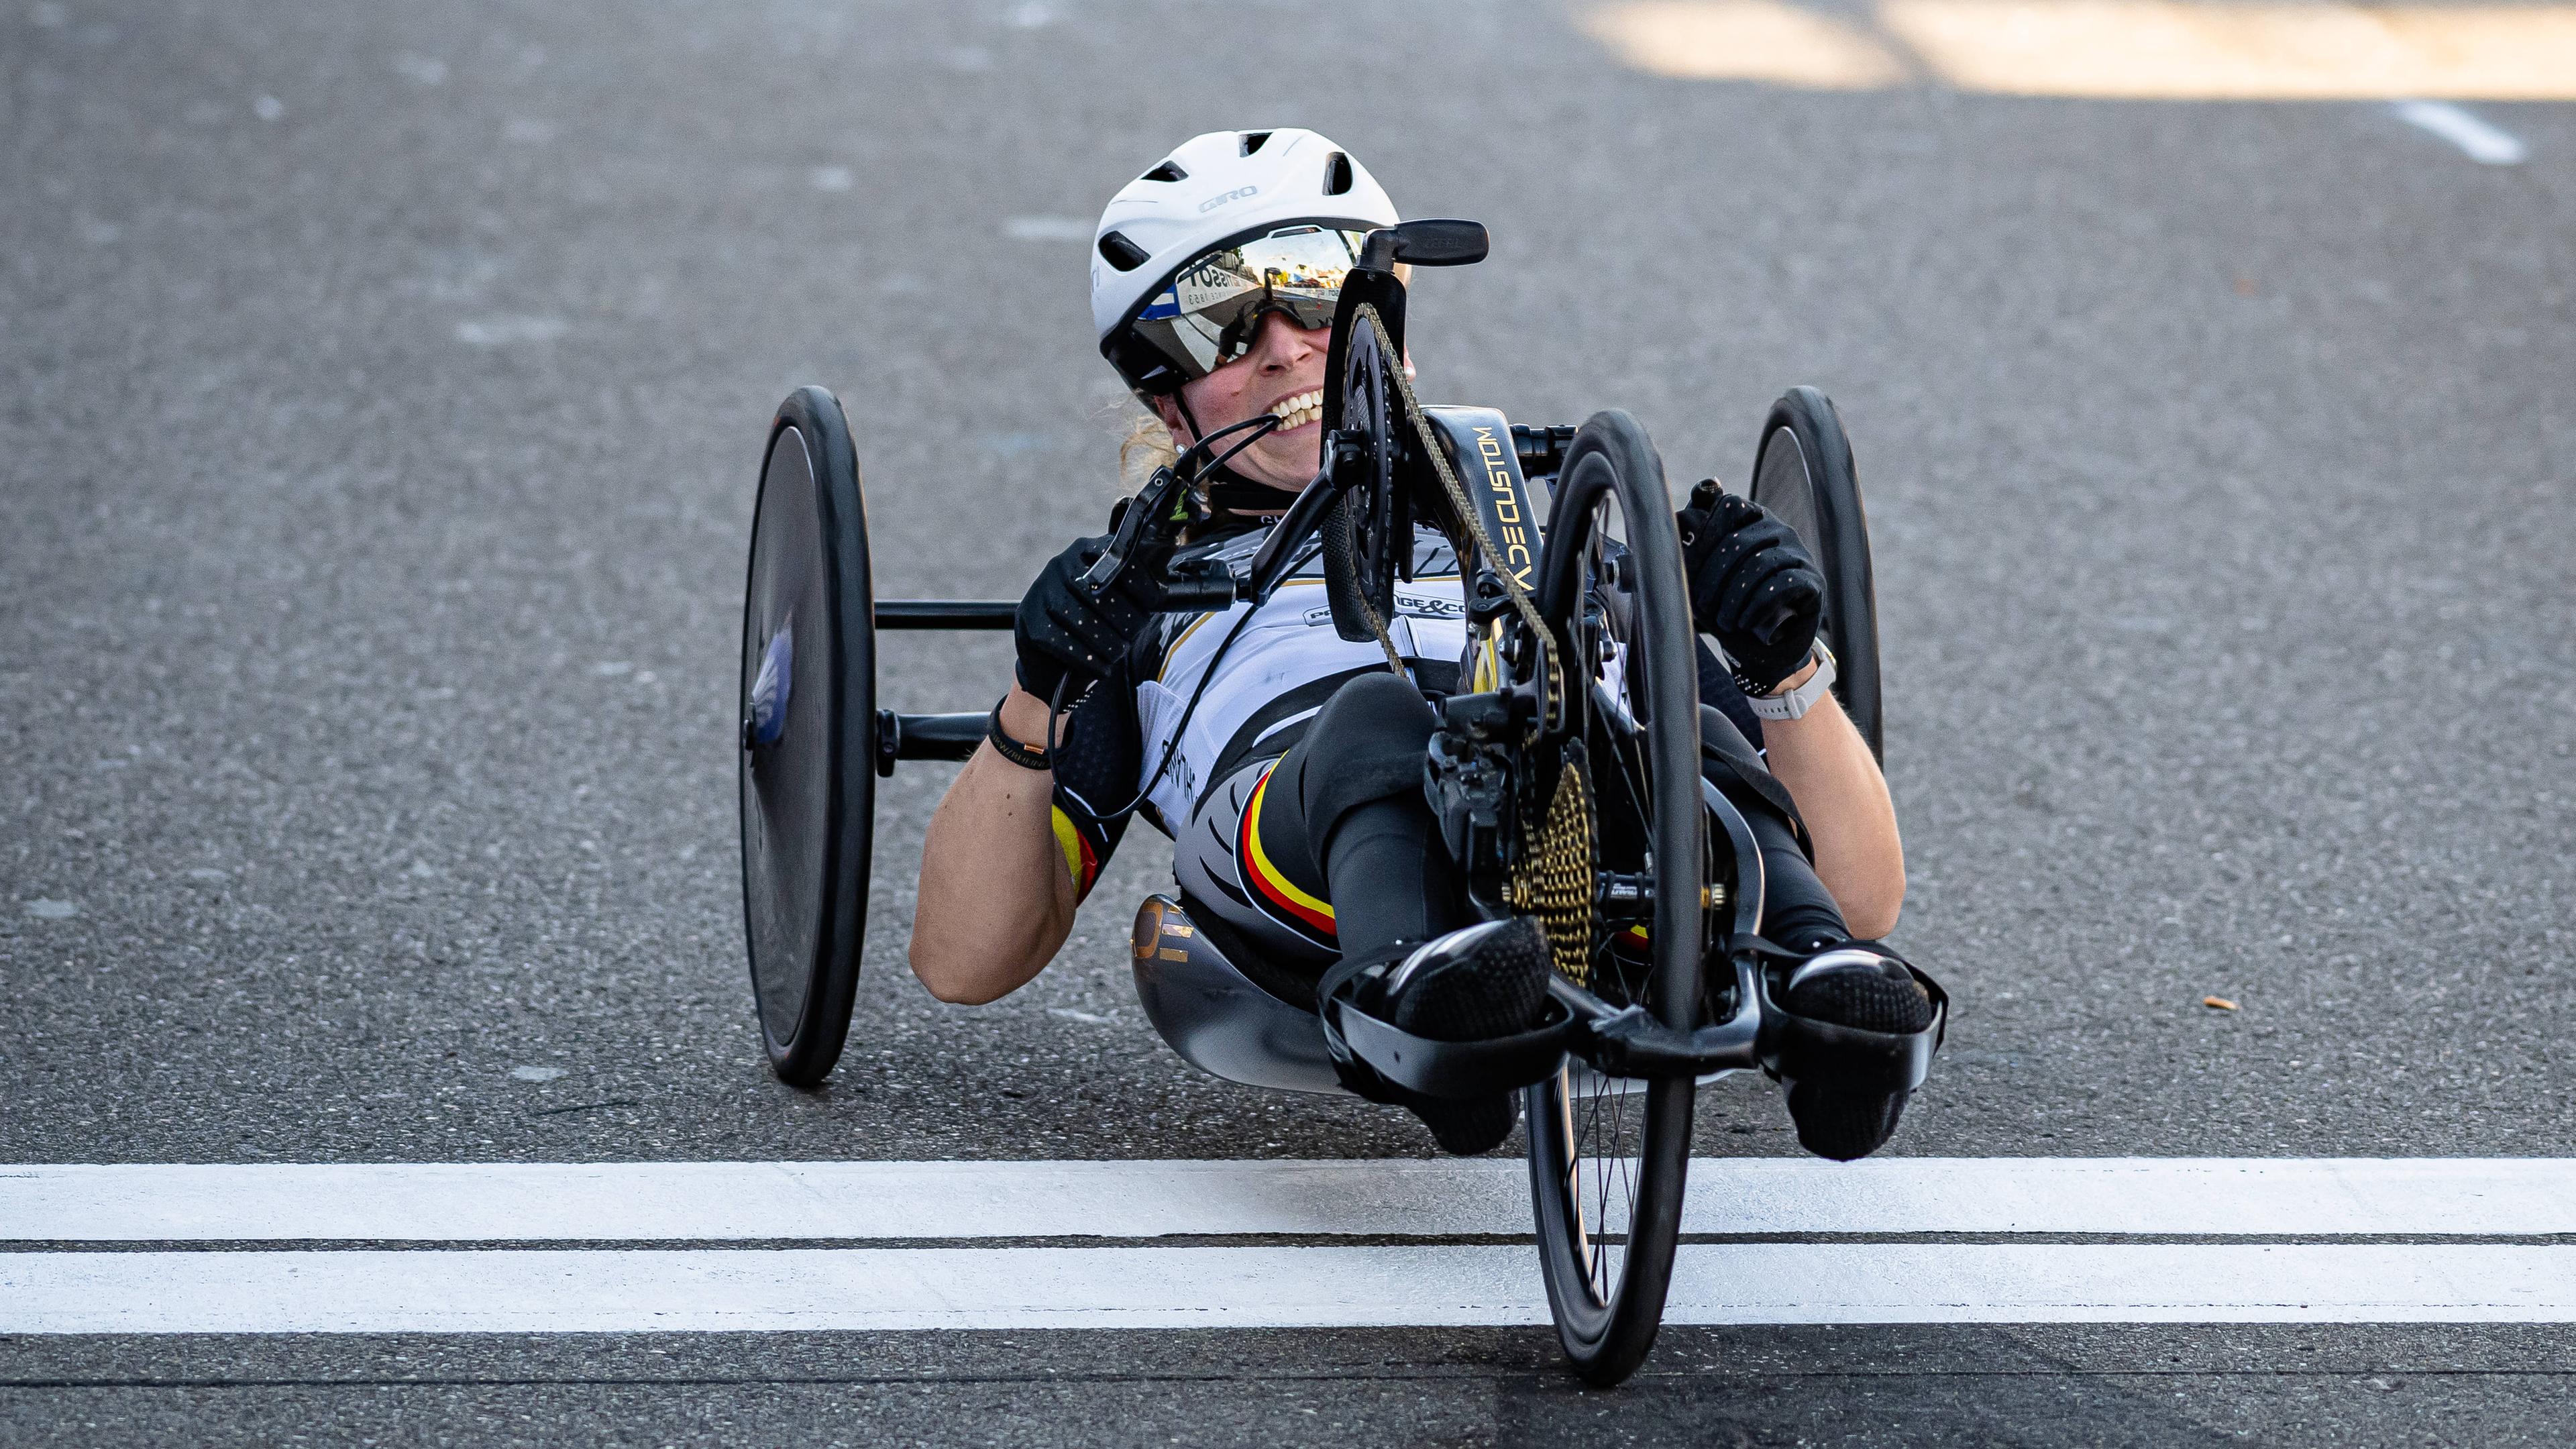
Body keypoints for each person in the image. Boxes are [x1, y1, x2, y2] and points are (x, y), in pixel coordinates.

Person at [910, 128, 1932, 1159]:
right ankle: (1425, 994)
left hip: (1570, 835)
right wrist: (1034, 694)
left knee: (1681, 732)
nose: (1282, 344)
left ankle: (1823, 993)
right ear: (1164, 398)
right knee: (1378, 715)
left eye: (1315, 293)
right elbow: (964, 961)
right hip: (1294, 861)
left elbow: (1866, 893)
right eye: (1218, 326)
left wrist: (1785, 664)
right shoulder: (1133, 587)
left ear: (1385, 323)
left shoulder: (1543, 536)